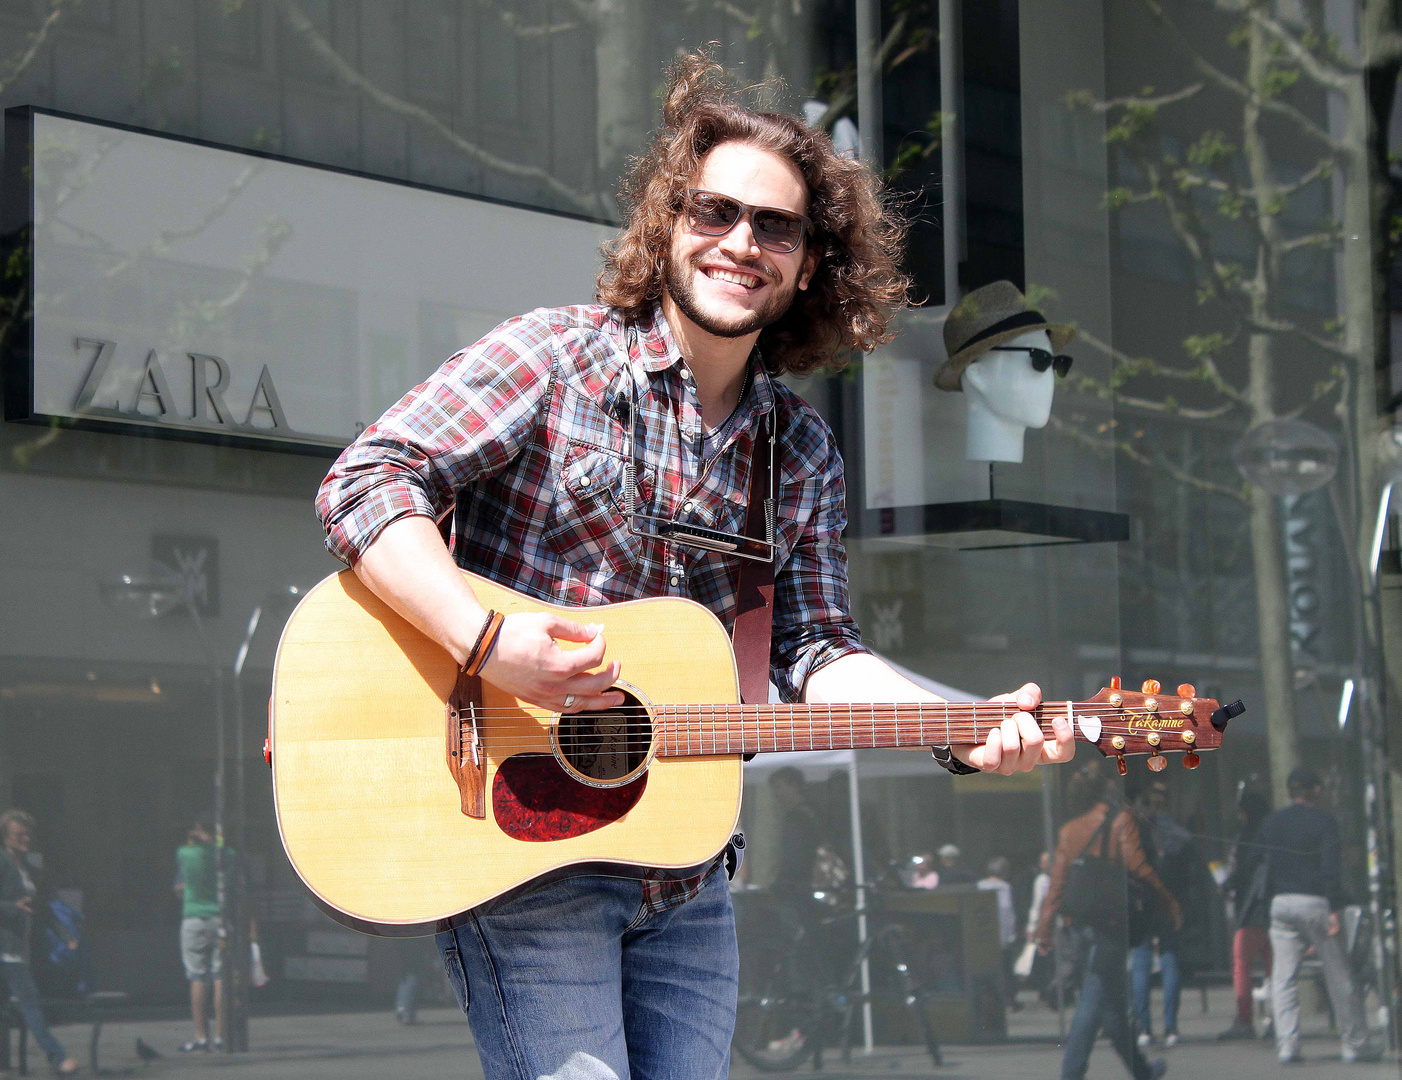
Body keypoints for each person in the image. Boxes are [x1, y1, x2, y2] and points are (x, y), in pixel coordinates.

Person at [315, 49, 1075, 1080]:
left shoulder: (797, 450)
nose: (739, 242)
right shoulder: (556, 359)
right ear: (667, 226)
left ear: (809, 263)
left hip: (685, 872)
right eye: (713, 211)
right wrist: (490, 644)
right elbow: (367, 482)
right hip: (521, 850)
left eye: (775, 225)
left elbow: (815, 651)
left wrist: (961, 726)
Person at [1036, 766, 1180, 1080]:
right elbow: (1138, 865)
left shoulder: (1069, 830)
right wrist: (1168, 900)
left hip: (1079, 925)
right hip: (1111, 925)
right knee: (1093, 1000)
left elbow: (1056, 885)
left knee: (1112, 1008)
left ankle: (1143, 1071)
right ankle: (1071, 1074)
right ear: (1107, 789)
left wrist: (1043, 930)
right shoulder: (1120, 820)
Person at [1256, 766, 1379, 1064]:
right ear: (1316, 791)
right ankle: (1355, 1043)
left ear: (1288, 792)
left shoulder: (1272, 823)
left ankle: (1288, 1046)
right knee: (1339, 974)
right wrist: (1335, 908)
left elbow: (1262, 864)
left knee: (1283, 977)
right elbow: (1330, 869)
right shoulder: (1325, 823)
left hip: (1281, 904)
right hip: (1316, 903)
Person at [0, 810, 78, 1074]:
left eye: (27, 833)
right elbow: (17, 907)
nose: (26, 838)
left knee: (3, 1008)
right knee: (29, 1001)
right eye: (19, 834)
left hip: (20, 946)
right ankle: (57, 1058)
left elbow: (41, 909)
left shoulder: (30, 868)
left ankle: (3, 1064)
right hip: (6, 947)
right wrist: (13, 908)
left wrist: (64, 935)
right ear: (6, 837)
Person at [1129, 782, 1188, 1048]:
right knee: (1170, 960)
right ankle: (1171, 1027)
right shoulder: (1177, 833)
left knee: (1140, 963)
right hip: (1169, 900)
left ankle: (1143, 1028)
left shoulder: (1135, 831)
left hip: (1142, 901)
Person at [1217, 790, 1272, 1041]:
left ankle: (1244, 1019)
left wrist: (1226, 885)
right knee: (1273, 965)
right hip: (1272, 906)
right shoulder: (1270, 833)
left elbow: (1244, 871)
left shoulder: (1247, 837)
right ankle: (1275, 1018)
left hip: (1251, 909)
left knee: (1241, 962)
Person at [175, 819, 223, 1052]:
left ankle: (201, 1035)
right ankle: (222, 1034)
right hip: (218, 918)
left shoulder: (185, 854)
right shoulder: (224, 855)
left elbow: (178, 889)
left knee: (197, 975)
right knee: (219, 975)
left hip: (193, 918)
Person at [768, 767, 821, 899]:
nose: (776, 793)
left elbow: (793, 855)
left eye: (779, 787)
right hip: (808, 881)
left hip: (797, 885)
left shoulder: (796, 818)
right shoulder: (813, 812)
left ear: (795, 786)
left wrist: (782, 882)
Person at [976, 856, 1018, 1005]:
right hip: (1003, 936)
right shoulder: (1005, 887)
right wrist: (1011, 936)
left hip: (983, 935)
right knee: (1006, 970)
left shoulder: (979, 886)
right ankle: (1009, 998)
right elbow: (1008, 914)